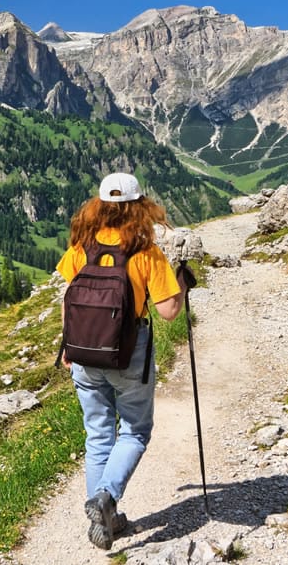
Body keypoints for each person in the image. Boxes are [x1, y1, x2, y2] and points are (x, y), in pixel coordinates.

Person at [56, 172, 184, 550]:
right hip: (130, 351)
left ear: (99, 206)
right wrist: (182, 283)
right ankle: (106, 500)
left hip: (83, 351)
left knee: (98, 435)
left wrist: (67, 346)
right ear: (138, 207)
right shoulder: (145, 252)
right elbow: (168, 312)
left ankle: (106, 518)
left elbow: (70, 295)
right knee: (134, 431)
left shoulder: (82, 246)